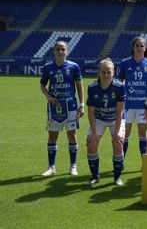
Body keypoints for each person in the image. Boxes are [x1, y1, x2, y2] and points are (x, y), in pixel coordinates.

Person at [40, 40, 84, 177]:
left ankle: (73, 166)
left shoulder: (74, 67)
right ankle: (51, 167)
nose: (60, 51)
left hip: (70, 106)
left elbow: (79, 86)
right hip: (54, 107)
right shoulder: (48, 68)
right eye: (58, 49)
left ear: (67, 51)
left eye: (63, 49)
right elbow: (42, 85)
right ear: (54, 51)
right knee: (52, 135)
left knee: (72, 135)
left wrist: (82, 104)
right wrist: (48, 97)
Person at [85, 58, 126, 186]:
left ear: (113, 72)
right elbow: (90, 112)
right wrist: (94, 133)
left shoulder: (120, 87)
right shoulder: (92, 87)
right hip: (99, 119)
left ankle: (117, 177)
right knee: (91, 142)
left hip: (116, 119)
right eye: (103, 72)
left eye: (109, 72)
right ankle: (95, 176)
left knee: (118, 142)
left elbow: (119, 112)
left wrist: (117, 132)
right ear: (99, 72)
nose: (106, 75)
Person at [117, 37, 147, 160]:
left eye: (141, 46)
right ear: (133, 48)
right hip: (128, 105)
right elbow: (119, 81)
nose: (139, 48)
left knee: (142, 135)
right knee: (125, 134)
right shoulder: (125, 63)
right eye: (137, 46)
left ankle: (144, 162)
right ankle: (121, 161)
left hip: (142, 106)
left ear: (145, 48)